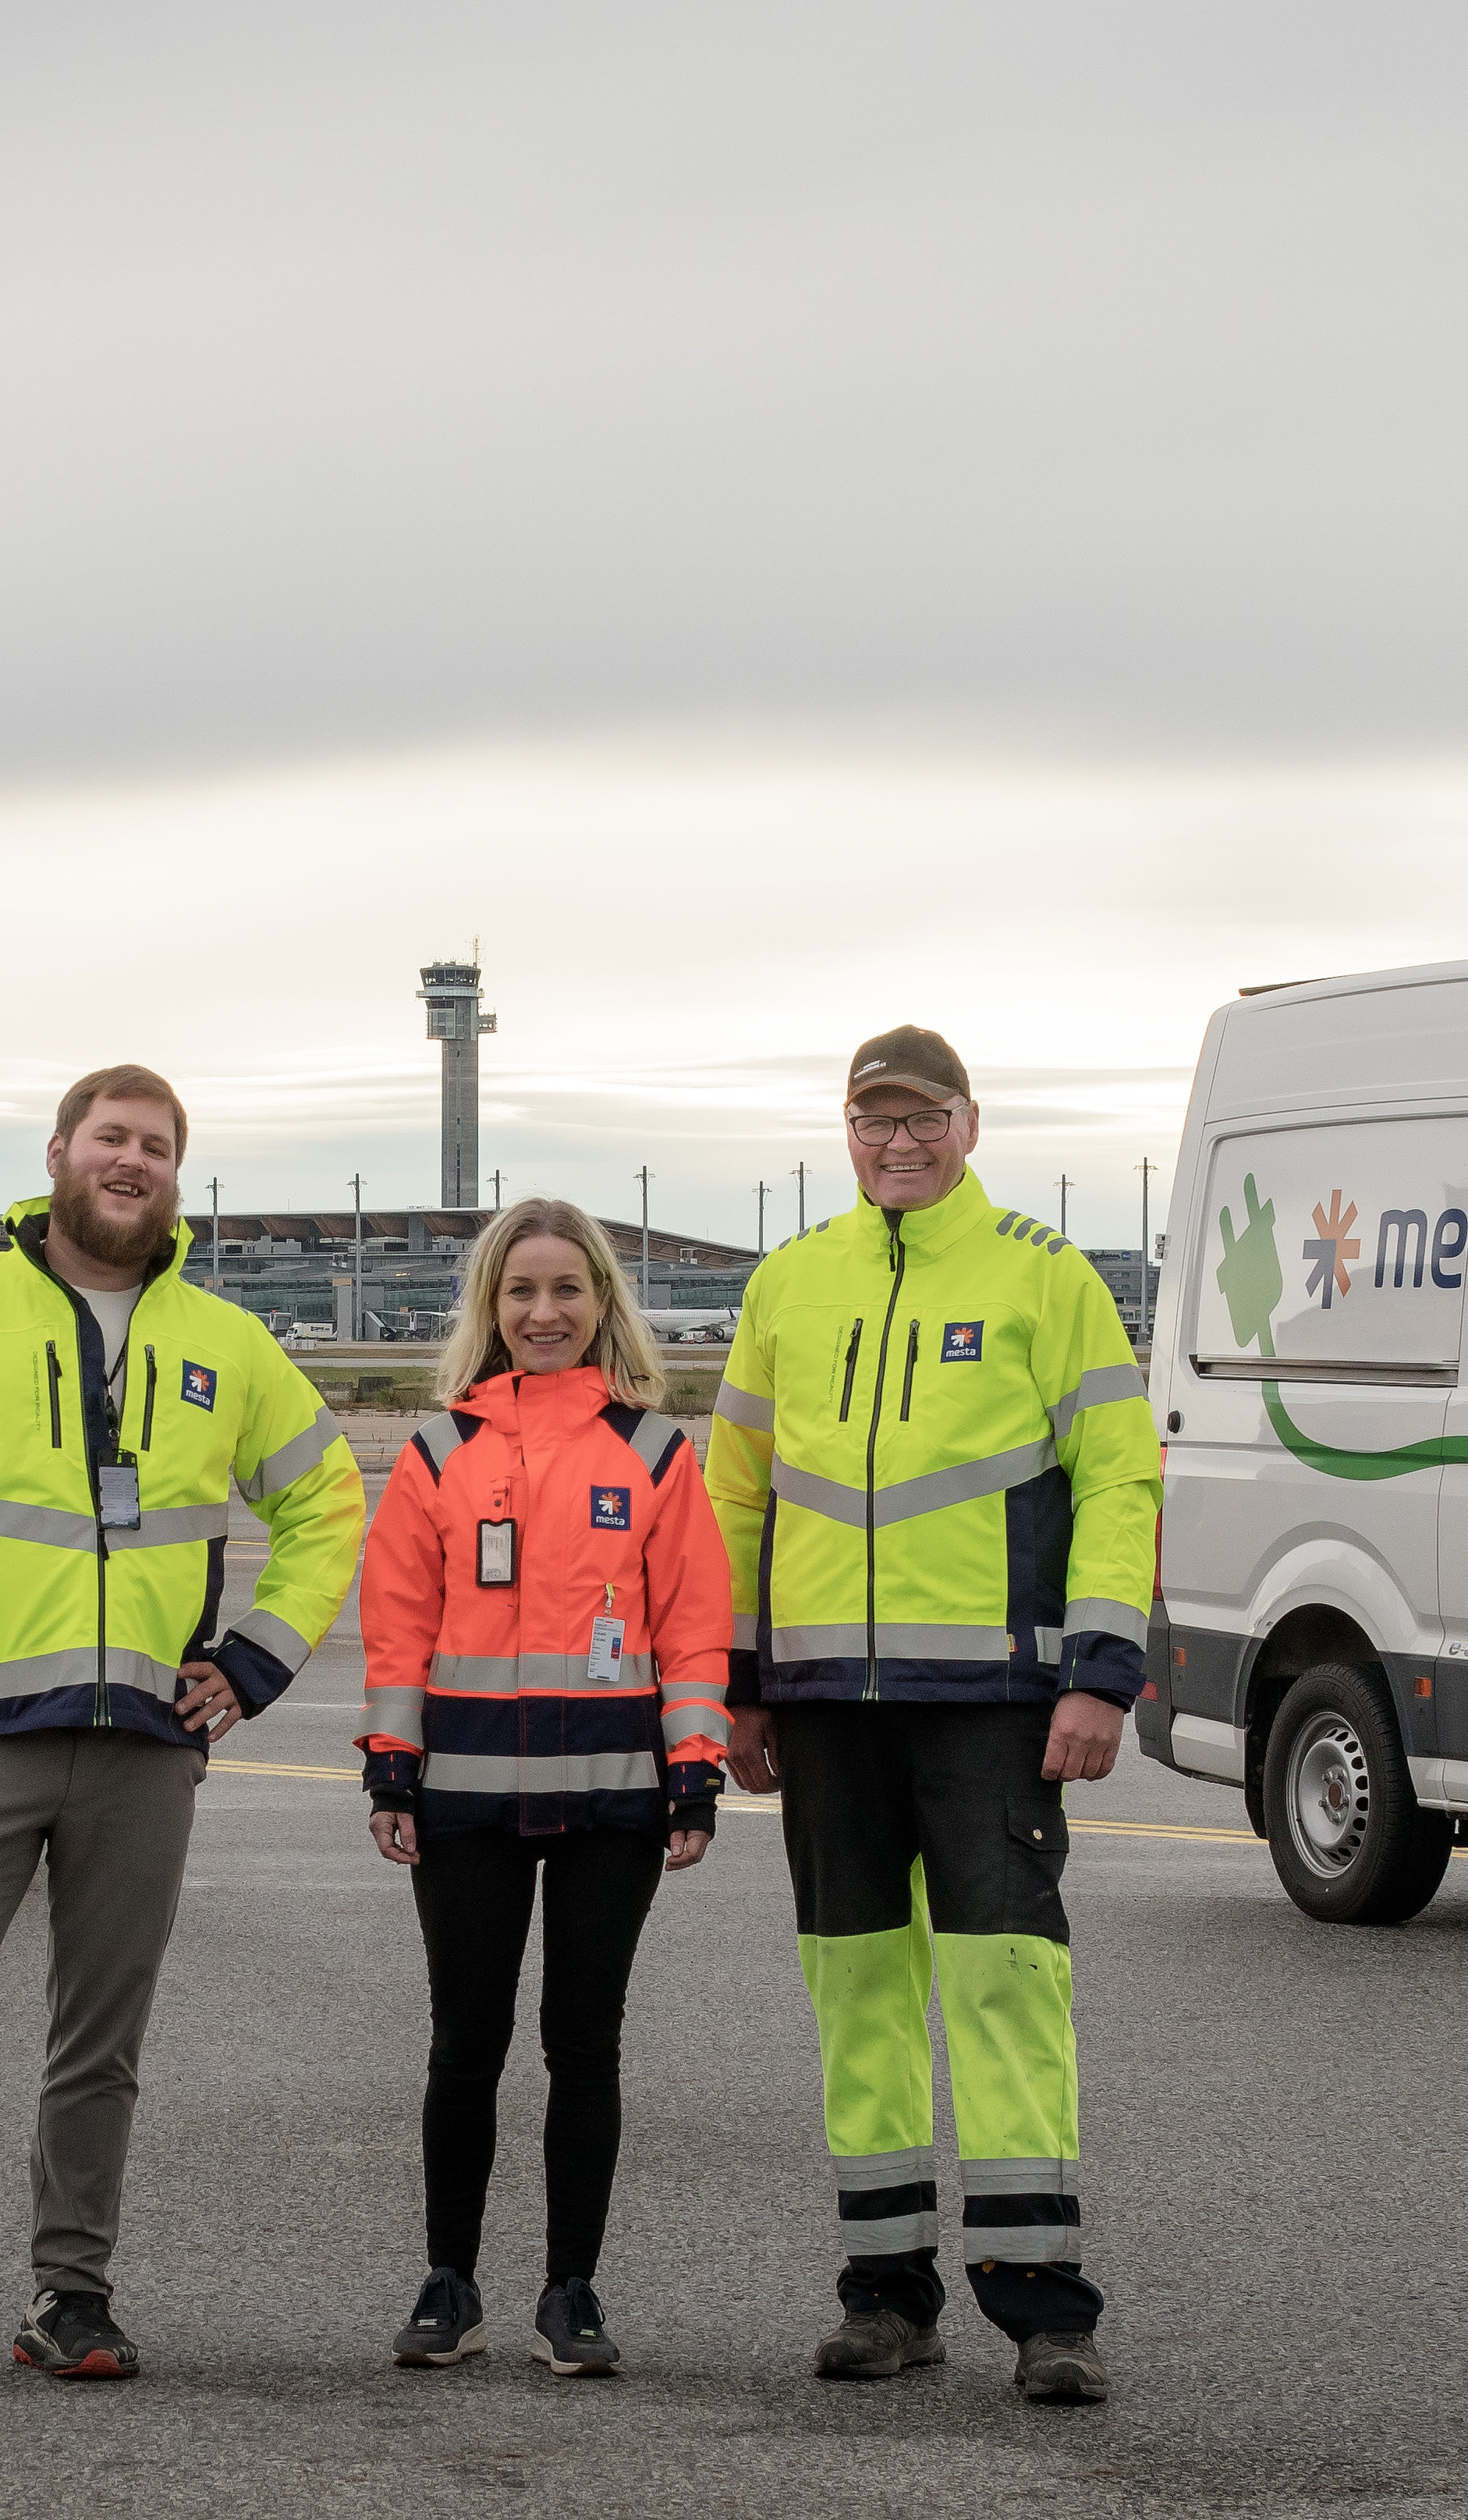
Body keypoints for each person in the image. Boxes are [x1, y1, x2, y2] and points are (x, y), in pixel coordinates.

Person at [0, 1065, 363, 2392]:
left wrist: (255, 1662)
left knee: (102, 2043)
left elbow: (327, 1498)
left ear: (174, 1174)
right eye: (111, 1137)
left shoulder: (224, 1342)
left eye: (156, 1145)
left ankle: (72, 2296)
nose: (132, 1159)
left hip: (146, 1749)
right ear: (58, 1154)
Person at [711, 1024, 1154, 2406]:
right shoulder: (790, 1283)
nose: (897, 1142)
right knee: (858, 1996)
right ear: (845, 1132)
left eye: (923, 1118)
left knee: (1007, 1989)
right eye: (873, 1120)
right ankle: (884, 2299)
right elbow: (736, 1492)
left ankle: (1045, 2310)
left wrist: (1098, 1673)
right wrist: (740, 1681)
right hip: (828, 1704)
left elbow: (1120, 1481)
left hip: (996, 1708)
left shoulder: (1043, 1272)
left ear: (970, 1124)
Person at [351, 1199, 731, 2380]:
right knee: (464, 2045)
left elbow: (694, 1629)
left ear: (603, 1307)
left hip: (614, 1800)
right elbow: (398, 1627)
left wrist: (694, 1775)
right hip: (463, 1800)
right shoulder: (433, 1457)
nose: (544, 1312)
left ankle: (572, 2288)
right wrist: (391, 1770)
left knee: (585, 2044)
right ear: (491, 1310)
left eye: (568, 1291)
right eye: (522, 1293)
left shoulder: (658, 1454)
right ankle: (448, 2281)